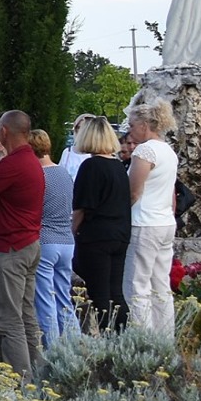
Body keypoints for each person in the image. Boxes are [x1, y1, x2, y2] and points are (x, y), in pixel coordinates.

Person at [0, 110, 44, 377]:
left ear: (3, 131)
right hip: (29, 243)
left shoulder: (11, 164)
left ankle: (21, 380)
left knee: (9, 319)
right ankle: (38, 374)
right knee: (26, 314)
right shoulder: (31, 160)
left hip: (10, 247)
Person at [69, 114, 131, 331]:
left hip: (96, 236)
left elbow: (81, 208)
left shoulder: (91, 166)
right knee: (116, 292)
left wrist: (72, 233)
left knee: (99, 294)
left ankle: (106, 338)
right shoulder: (118, 167)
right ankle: (121, 336)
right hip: (120, 234)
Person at [125, 100, 181, 335]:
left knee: (137, 286)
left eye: (133, 124)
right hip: (165, 221)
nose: (130, 129)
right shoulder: (168, 150)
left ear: (145, 125)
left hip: (144, 222)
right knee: (160, 285)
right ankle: (165, 338)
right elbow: (171, 192)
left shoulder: (144, 150)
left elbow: (134, 191)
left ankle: (143, 340)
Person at [30, 129, 78, 345]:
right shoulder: (63, 173)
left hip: (46, 238)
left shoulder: (39, 176)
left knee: (45, 300)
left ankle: (53, 349)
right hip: (67, 239)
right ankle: (75, 345)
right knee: (64, 298)